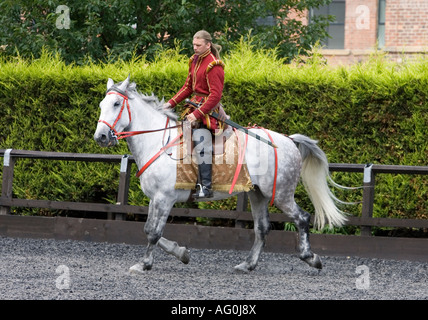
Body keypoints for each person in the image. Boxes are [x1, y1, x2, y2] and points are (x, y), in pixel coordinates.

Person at [164, 30, 225, 199]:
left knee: (201, 139)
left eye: (198, 45)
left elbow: (215, 96)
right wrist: (169, 104)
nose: (195, 48)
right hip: (193, 108)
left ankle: (206, 186)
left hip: (209, 113)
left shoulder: (214, 65)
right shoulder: (194, 60)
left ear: (208, 44)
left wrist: (197, 114)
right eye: (193, 45)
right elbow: (187, 88)